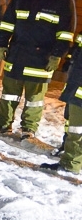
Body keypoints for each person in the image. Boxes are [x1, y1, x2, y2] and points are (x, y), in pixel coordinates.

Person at [0, 0, 77, 138]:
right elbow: (8, 22)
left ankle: (28, 128)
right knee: (9, 94)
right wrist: (2, 44)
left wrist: (57, 55)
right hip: (17, 54)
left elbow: (66, 32)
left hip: (42, 58)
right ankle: (1, 124)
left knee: (34, 99)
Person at [41, 32, 82, 174]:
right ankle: (69, 164)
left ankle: (70, 165)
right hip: (77, 83)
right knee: (75, 129)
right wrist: (70, 60)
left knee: (77, 130)